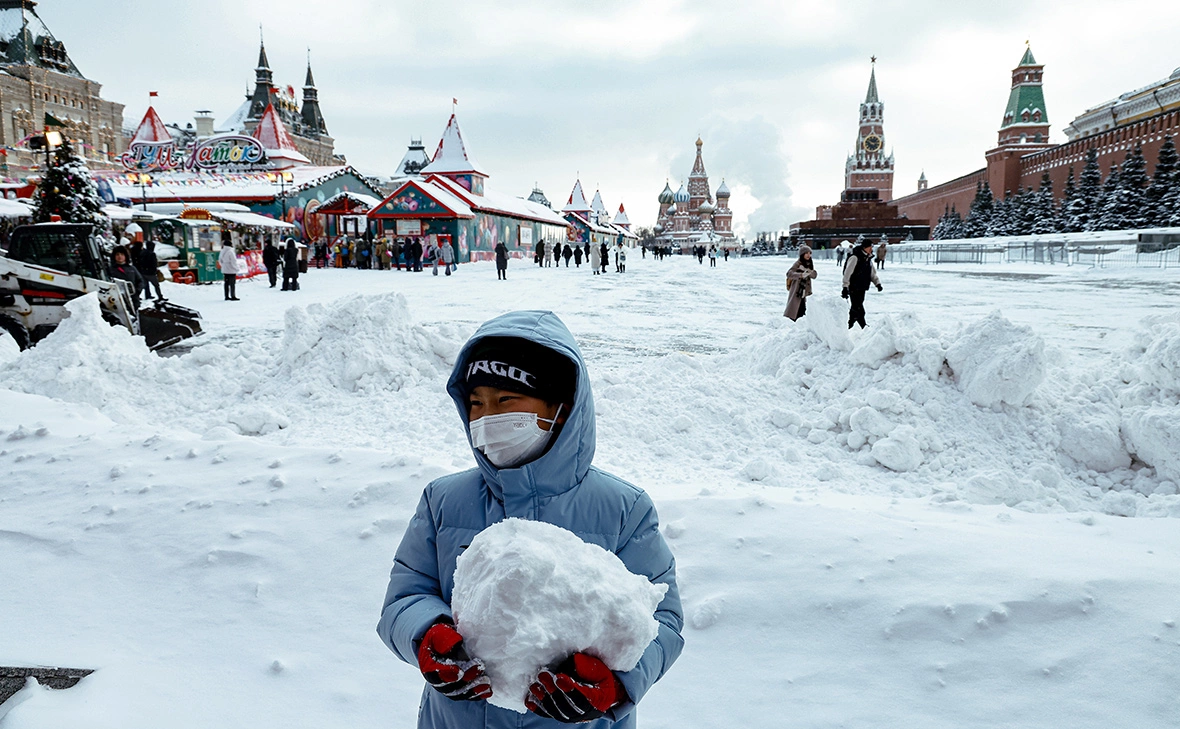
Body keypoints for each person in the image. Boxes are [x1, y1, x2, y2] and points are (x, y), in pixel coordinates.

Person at [377, 311, 683, 729]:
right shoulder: (443, 501)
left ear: (560, 408)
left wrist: (617, 685)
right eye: (476, 403)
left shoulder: (623, 509)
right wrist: (426, 635)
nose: (486, 418)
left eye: (505, 401)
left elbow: (662, 621)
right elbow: (404, 597)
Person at [842, 238, 883, 329]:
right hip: (853, 286)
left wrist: (878, 284)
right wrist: (845, 286)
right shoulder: (855, 257)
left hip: (862, 287)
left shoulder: (868, 258)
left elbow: (872, 273)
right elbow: (847, 273)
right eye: (870, 247)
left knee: (856, 307)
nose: (871, 249)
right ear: (865, 247)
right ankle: (862, 325)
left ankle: (850, 324)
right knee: (858, 307)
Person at [784, 245, 817, 321]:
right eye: (806, 253)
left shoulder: (809, 263)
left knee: (804, 309)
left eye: (810, 253)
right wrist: (800, 275)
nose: (809, 255)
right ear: (802, 254)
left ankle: (801, 324)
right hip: (797, 290)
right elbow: (789, 273)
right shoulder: (798, 263)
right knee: (797, 309)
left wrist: (808, 272)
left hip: (806, 290)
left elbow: (814, 275)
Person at [109, 245, 144, 310]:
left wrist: (137, 291)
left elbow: (140, 280)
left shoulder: (132, 268)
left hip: (133, 300)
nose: (120, 256)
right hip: (117, 301)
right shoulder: (110, 269)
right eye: (117, 254)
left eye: (122, 254)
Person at [218, 235, 242, 301]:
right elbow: (233, 261)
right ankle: (233, 296)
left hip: (225, 269)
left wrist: (223, 265)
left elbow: (220, 260)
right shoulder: (231, 251)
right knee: (232, 284)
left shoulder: (222, 251)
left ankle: (226, 296)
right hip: (231, 270)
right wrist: (236, 268)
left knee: (226, 283)